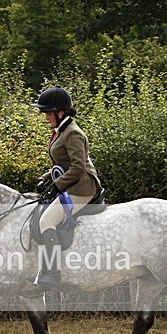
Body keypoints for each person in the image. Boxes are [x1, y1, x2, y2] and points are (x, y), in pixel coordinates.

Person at [31, 86, 103, 291]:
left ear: (60, 112)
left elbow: (78, 167)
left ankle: (52, 275)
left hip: (82, 187)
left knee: (47, 221)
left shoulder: (73, 133)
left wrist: (57, 185)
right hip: (71, 183)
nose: (45, 117)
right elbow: (62, 163)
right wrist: (46, 178)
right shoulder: (61, 130)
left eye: (47, 113)